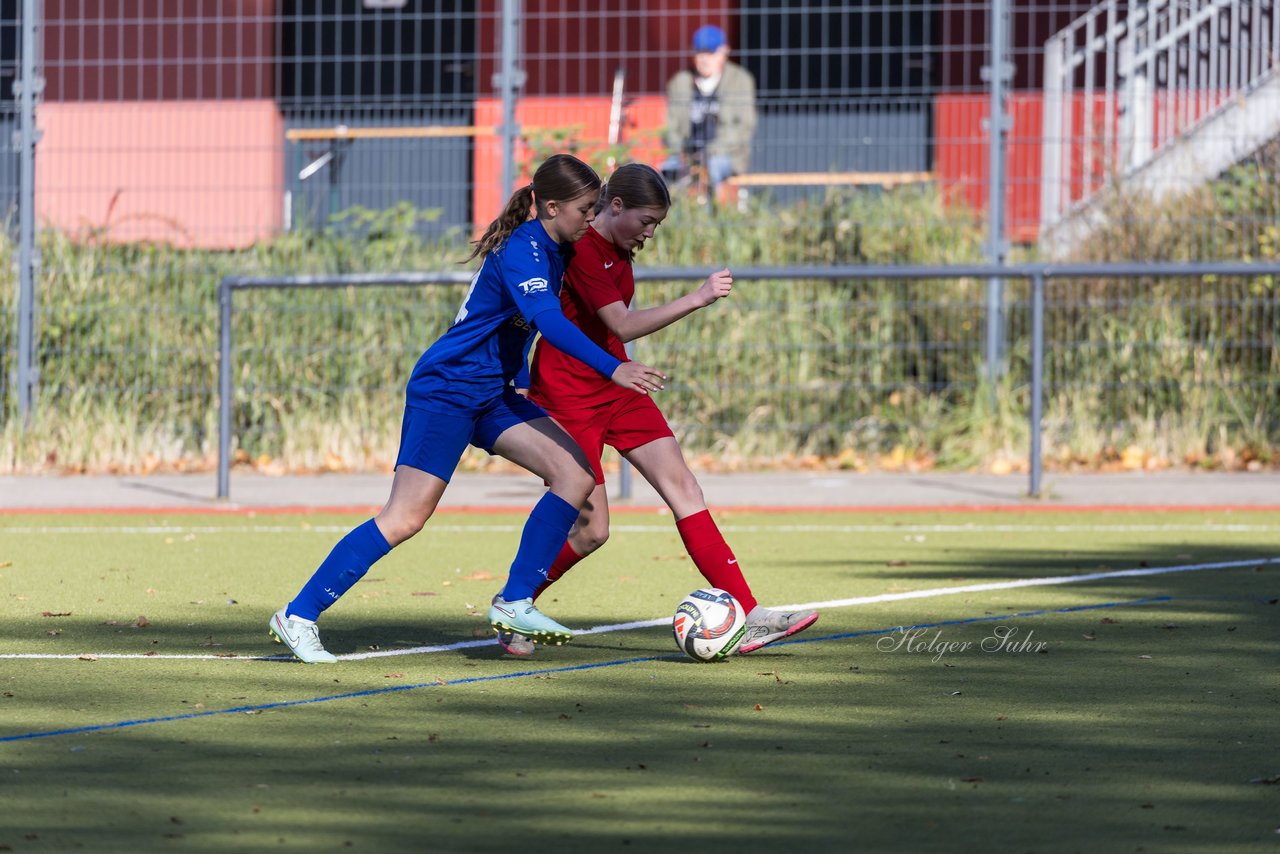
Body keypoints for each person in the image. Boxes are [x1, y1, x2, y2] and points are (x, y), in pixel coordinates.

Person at [268, 153, 667, 664]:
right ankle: (298, 615)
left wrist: (520, 381)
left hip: (492, 393)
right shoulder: (524, 249)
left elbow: (513, 329)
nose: (591, 219)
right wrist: (614, 368)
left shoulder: (556, 249)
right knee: (405, 517)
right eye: (585, 209)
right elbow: (549, 322)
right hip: (448, 389)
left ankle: (516, 601)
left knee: (575, 474)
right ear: (550, 207)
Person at [499, 162, 818, 657]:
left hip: (618, 385)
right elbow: (620, 325)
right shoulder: (583, 248)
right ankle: (514, 605)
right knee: (592, 531)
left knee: (683, 485)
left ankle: (750, 614)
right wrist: (697, 298)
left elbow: (611, 334)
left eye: (658, 226)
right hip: (568, 394)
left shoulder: (618, 251)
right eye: (645, 222)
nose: (650, 233)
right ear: (616, 206)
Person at [662, 24, 757, 198]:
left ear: (724, 52)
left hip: (726, 156)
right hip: (686, 155)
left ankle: (709, 220)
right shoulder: (680, 82)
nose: (705, 59)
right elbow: (670, 126)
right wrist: (680, 153)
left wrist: (708, 153)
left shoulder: (740, 81)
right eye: (700, 53)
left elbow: (743, 128)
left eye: (710, 53)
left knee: (712, 170)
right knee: (664, 174)